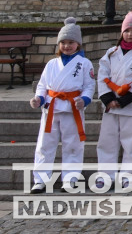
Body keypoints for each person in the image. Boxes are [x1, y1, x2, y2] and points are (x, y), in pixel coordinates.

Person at [29, 18, 94, 193]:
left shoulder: (84, 64)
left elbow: (89, 86)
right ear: (59, 44)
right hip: (51, 108)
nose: (67, 46)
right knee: (44, 145)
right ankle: (40, 180)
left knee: (72, 145)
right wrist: (38, 99)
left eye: (71, 42)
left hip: (72, 108)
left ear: (78, 44)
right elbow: (43, 85)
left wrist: (85, 99)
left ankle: (70, 179)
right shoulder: (51, 64)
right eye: (63, 42)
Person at [96, 11, 132, 188]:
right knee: (107, 141)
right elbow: (102, 75)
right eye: (127, 30)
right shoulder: (111, 53)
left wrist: (123, 101)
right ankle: (106, 175)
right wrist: (108, 99)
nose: (130, 34)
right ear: (122, 32)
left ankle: (129, 175)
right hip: (111, 105)